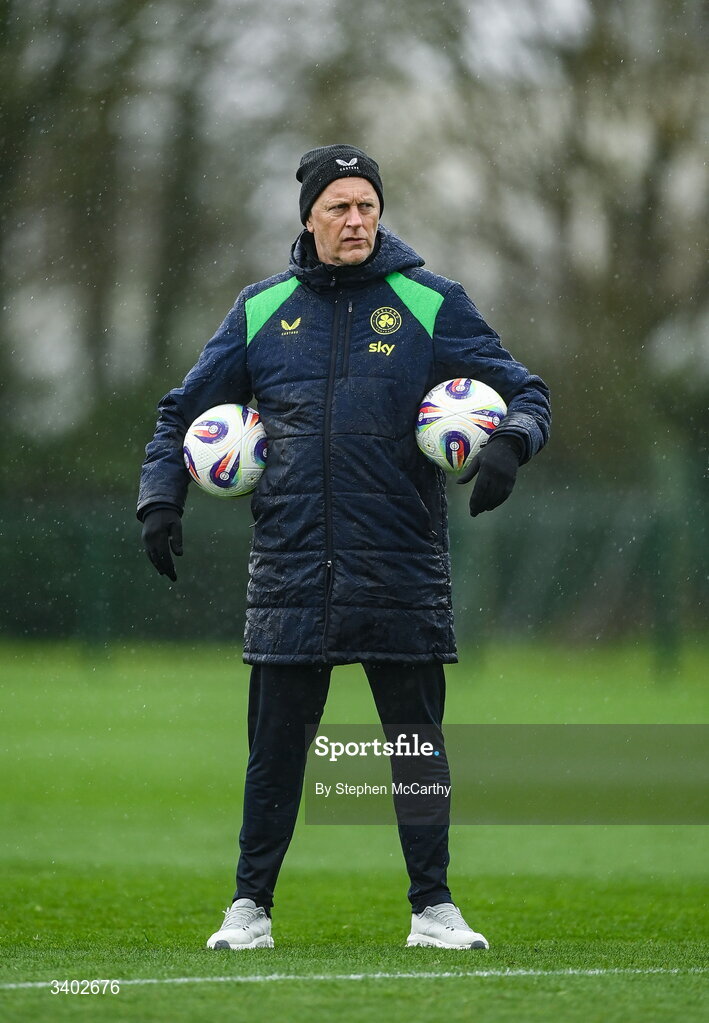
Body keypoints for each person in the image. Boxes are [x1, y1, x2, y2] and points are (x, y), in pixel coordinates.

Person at [138, 144, 551, 951]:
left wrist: (509, 444)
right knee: (275, 754)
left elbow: (526, 389)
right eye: (340, 206)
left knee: (414, 748)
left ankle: (432, 909)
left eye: (367, 204)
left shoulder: (430, 303)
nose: (356, 218)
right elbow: (180, 412)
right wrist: (161, 498)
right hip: (292, 568)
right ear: (309, 219)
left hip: (399, 564)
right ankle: (248, 908)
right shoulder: (261, 310)